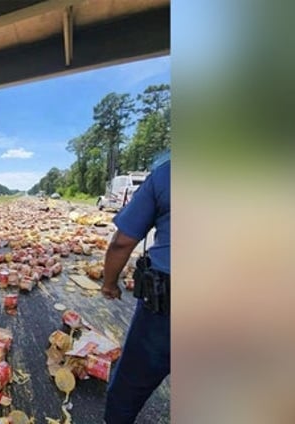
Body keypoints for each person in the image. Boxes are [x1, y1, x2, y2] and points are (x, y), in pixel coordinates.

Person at [101, 156, 170, 424]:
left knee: (130, 385)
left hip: (169, 305)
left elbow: (122, 242)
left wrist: (109, 283)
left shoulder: (168, 174)